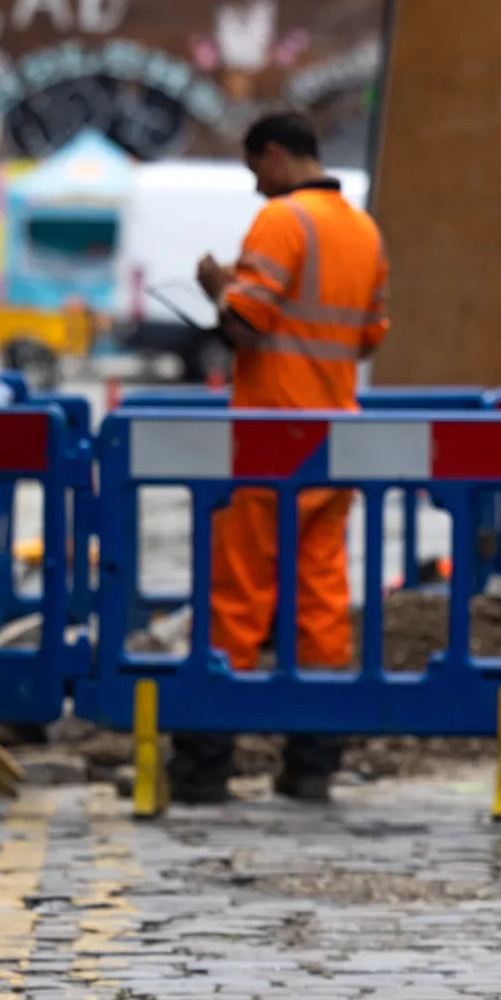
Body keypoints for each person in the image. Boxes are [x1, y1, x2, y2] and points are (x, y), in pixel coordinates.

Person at [168, 110, 389, 804]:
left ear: (274, 155)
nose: (254, 185)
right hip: (333, 436)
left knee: (236, 593)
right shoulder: (362, 228)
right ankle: (311, 761)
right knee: (320, 595)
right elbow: (367, 338)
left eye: (253, 168)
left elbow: (245, 326)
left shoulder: (281, 223)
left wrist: (216, 290)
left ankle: (206, 762)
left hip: (268, 441)